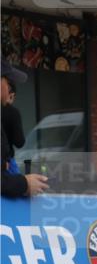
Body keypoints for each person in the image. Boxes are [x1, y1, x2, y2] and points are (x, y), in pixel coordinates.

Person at [2, 60, 48, 198]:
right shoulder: (13, 112)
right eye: (8, 83)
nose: (9, 89)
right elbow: (19, 141)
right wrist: (24, 184)